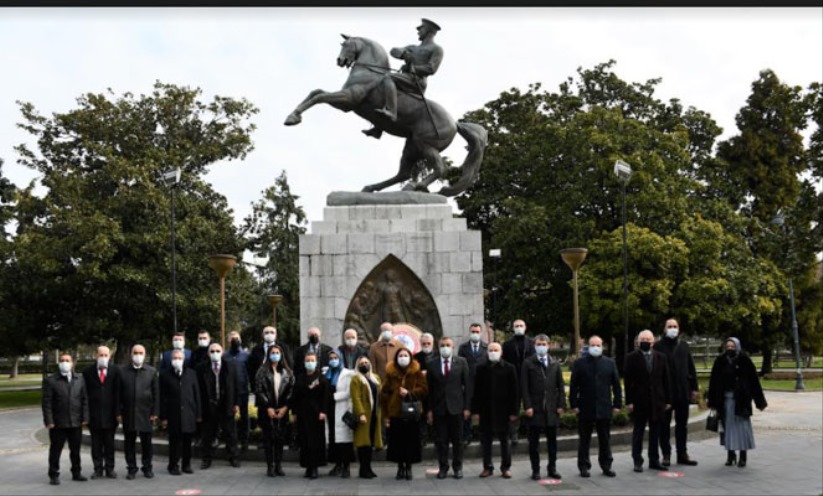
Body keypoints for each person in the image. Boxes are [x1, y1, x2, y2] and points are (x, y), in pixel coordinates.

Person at [370, 18, 444, 127]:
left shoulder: (436, 49)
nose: (418, 30)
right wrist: (403, 54)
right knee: (383, 88)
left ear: (428, 30)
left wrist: (412, 68)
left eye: (421, 28)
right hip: (406, 78)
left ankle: (391, 112)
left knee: (388, 78)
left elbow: (431, 68)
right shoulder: (413, 48)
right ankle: (379, 127)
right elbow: (393, 51)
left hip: (417, 81)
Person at [707, 337, 767, 468]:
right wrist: (712, 401)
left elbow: (754, 382)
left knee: (742, 428)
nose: (730, 349)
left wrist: (760, 402)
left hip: (741, 401)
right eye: (727, 346)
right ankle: (730, 454)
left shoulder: (745, 360)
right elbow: (714, 382)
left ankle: (743, 455)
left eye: (732, 346)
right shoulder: (720, 361)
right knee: (727, 428)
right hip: (725, 401)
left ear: (737, 347)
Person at [569, 335, 622, 478]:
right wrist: (573, 404)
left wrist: (617, 403)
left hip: (604, 407)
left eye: (598, 345)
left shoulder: (610, 363)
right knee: (584, 440)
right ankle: (584, 466)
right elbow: (574, 386)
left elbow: (616, 385)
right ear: (588, 346)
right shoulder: (580, 363)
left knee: (605, 439)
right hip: (585, 407)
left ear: (602, 346)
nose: (595, 347)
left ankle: (606, 465)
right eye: (592, 345)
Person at [623, 330, 671, 473]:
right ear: (638, 341)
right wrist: (629, 401)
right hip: (639, 401)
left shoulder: (661, 357)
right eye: (642, 339)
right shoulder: (630, 357)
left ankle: (654, 460)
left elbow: (666, 379)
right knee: (638, 431)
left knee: (655, 432)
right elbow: (627, 381)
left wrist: (668, 399)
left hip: (657, 400)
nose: (645, 341)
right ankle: (637, 460)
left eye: (648, 339)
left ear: (653, 341)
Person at [654, 318, 700, 466]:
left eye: (675, 326)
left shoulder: (684, 346)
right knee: (664, 425)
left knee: (682, 425)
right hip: (666, 394)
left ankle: (682, 454)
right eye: (670, 326)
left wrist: (694, 388)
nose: (673, 328)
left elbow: (691, 367)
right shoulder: (658, 347)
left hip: (682, 392)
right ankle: (666, 454)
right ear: (664, 329)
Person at [521, 334, 567, 480]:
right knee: (533, 443)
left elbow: (560, 386)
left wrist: (561, 405)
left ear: (549, 345)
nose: (541, 346)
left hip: (552, 410)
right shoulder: (528, 363)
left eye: (544, 343)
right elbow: (524, 387)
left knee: (552, 442)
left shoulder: (554, 363)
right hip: (535, 409)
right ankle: (535, 470)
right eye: (539, 343)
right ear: (534, 345)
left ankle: (552, 468)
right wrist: (527, 406)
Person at [426, 336, 471, 479]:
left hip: (457, 408)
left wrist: (467, 408)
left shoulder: (462, 362)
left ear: (452, 347)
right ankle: (443, 468)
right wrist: (429, 410)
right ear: (439, 348)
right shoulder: (431, 364)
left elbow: (467, 387)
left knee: (458, 440)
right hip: (439, 408)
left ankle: (458, 468)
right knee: (441, 441)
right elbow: (429, 390)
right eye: (442, 345)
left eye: (448, 345)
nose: (445, 347)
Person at [472, 342, 518, 479]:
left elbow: (515, 391)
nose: (493, 352)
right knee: (486, 441)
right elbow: (476, 392)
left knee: (505, 441)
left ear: (501, 352)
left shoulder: (510, 368)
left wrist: (514, 411)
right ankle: (487, 467)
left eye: (496, 350)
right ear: (487, 352)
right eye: (491, 350)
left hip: (504, 411)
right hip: (486, 411)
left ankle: (506, 467)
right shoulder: (480, 368)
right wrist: (475, 411)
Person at [381, 348, 428, 480]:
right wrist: (389, 391)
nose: (403, 358)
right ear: (396, 358)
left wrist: (409, 393)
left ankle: (409, 467)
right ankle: (400, 467)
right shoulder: (390, 373)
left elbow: (424, 389)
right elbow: (384, 394)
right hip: (395, 413)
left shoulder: (416, 372)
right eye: (400, 355)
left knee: (411, 442)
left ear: (410, 357)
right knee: (397, 442)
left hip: (411, 413)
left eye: (405, 355)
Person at [42, 353, 88, 485]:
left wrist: (85, 417)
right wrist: (49, 421)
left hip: (75, 422)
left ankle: (76, 472)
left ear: (72, 363)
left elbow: (84, 400)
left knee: (76, 450)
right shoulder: (51, 381)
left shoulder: (79, 379)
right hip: (58, 423)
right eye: (62, 360)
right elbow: (47, 403)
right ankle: (53, 474)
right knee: (56, 450)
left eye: (67, 360)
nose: (64, 362)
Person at [196, 343, 240, 469]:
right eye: (212, 351)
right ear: (208, 353)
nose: (215, 353)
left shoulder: (230, 366)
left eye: (217, 350)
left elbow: (237, 386)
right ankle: (206, 459)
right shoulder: (201, 368)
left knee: (230, 434)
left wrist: (236, 403)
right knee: (207, 435)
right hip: (208, 406)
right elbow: (198, 389)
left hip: (226, 405)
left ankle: (233, 457)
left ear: (222, 352)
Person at [118, 344, 159, 480]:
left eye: (141, 353)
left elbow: (156, 393)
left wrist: (155, 412)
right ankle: (131, 468)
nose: (138, 355)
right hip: (128, 413)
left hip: (146, 413)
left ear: (145, 354)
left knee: (147, 443)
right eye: (135, 352)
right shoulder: (123, 371)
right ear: (131, 354)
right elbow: (117, 394)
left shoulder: (151, 371)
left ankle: (147, 468)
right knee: (129, 443)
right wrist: (118, 412)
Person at [159, 349, 201, 476]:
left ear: (184, 360)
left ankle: (186, 465)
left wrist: (198, 414)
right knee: (174, 442)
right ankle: (173, 466)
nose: (177, 360)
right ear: (171, 360)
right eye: (175, 358)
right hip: (173, 414)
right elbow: (162, 397)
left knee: (188, 442)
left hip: (188, 413)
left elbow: (196, 394)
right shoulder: (165, 375)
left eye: (180, 358)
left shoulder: (191, 374)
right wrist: (163, 417)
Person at [254, 344, 294, 477]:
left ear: (281, 354)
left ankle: (278, 465)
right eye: (273, 352)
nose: (275, 355)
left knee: (280, 439)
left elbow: (291, 390)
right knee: (268, 439)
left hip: (282, 410)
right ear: (268, 355)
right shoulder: (262, 370)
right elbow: (259, 390)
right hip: (267, 410)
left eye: (277, 352)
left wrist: (286, 407)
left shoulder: (287, 371)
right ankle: (270, 466)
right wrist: (267, 407)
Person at [248, 326, 293, 444]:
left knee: (281, 424)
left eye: (272, 332)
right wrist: (256, 389)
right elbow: (251, 370)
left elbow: (290, 367)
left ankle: (282, 443)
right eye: (266, 332)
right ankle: (265, 443)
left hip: (280, 392)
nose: (269, 334)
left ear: (276, 334)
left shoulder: (284, 348)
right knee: (264, 422)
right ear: (262, 335)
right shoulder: (256, 350)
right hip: (263, 393)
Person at [82, 345, 120, 480]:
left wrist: (118, 413)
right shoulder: (87, 372)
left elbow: (118, 394)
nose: (103, 358)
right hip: (94, 416)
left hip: (110, 416)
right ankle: (97, 469)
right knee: (96, 445)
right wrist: (85, 415)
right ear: (96, 356)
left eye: (106, 355)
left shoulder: (116, 371)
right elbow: (84, 395)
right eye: (100, 355)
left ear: (110, 356)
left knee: (110, 444)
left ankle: (110, 469)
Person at [289, 352, 330, 479]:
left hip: (316, 414)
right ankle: (307, 466)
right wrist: (294, 412)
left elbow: (325, 397)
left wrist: (323, 411)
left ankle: (315, 467)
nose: (310, 362)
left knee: (315, 441)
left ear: (316, 362)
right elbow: (295, 396)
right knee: (305, 441)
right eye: (307, 360)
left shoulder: (321, 378)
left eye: (312, 360)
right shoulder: (300, 377)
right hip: (302, 413)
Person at [502, 319, 534, 446]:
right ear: (513, 328)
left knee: (530, 405)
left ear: (525, 327)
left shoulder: (531, 343)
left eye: (521, 325)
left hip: (528, 379)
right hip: (513, 379)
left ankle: (530, 432)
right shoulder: (507, 344)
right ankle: (514, 433)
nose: (519, 327)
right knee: (513, 407)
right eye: (516, 326)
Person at [350, 356, 383, 479]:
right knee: (363, 443)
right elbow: (356, 398)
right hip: (364, 415)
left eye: (366, 362)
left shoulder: (376, 378)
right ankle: (363, 469)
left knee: (370, 443)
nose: (364, 364)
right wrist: (361, 413)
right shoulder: (356, 379)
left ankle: (369, 468)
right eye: (362, 363)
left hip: (374, 414)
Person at [328, 350, 358, 478]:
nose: (333, 360)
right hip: (330, 410)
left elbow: (349, 392)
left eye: (336, 357)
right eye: (331, 358)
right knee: (334, 439)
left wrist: (334, 397)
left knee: (345, 440)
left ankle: (346, 466)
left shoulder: (348, 374)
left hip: (342, 408)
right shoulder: (327, 374)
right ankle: (337, 464)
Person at [457, 323, 488, 447]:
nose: (475, 334)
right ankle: (467, 435)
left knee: (482, 410)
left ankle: (482, 435)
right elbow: (459, 365)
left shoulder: (486, 348)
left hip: (482, 383)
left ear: (480, 333)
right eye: (473, 331)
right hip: (467, 382)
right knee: (467, 409)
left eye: (477, 331)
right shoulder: (463, 348)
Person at [223, 330, 251, 452]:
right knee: (229, 418)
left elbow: (249, 372)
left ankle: (245, 441)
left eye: (237, 338)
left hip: (243, 391)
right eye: (233, 339)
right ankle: (230, 442)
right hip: (229, 393)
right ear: (229, 341)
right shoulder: (224, 356)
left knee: (244, 417)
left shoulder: (246, 355)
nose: (235, 341)